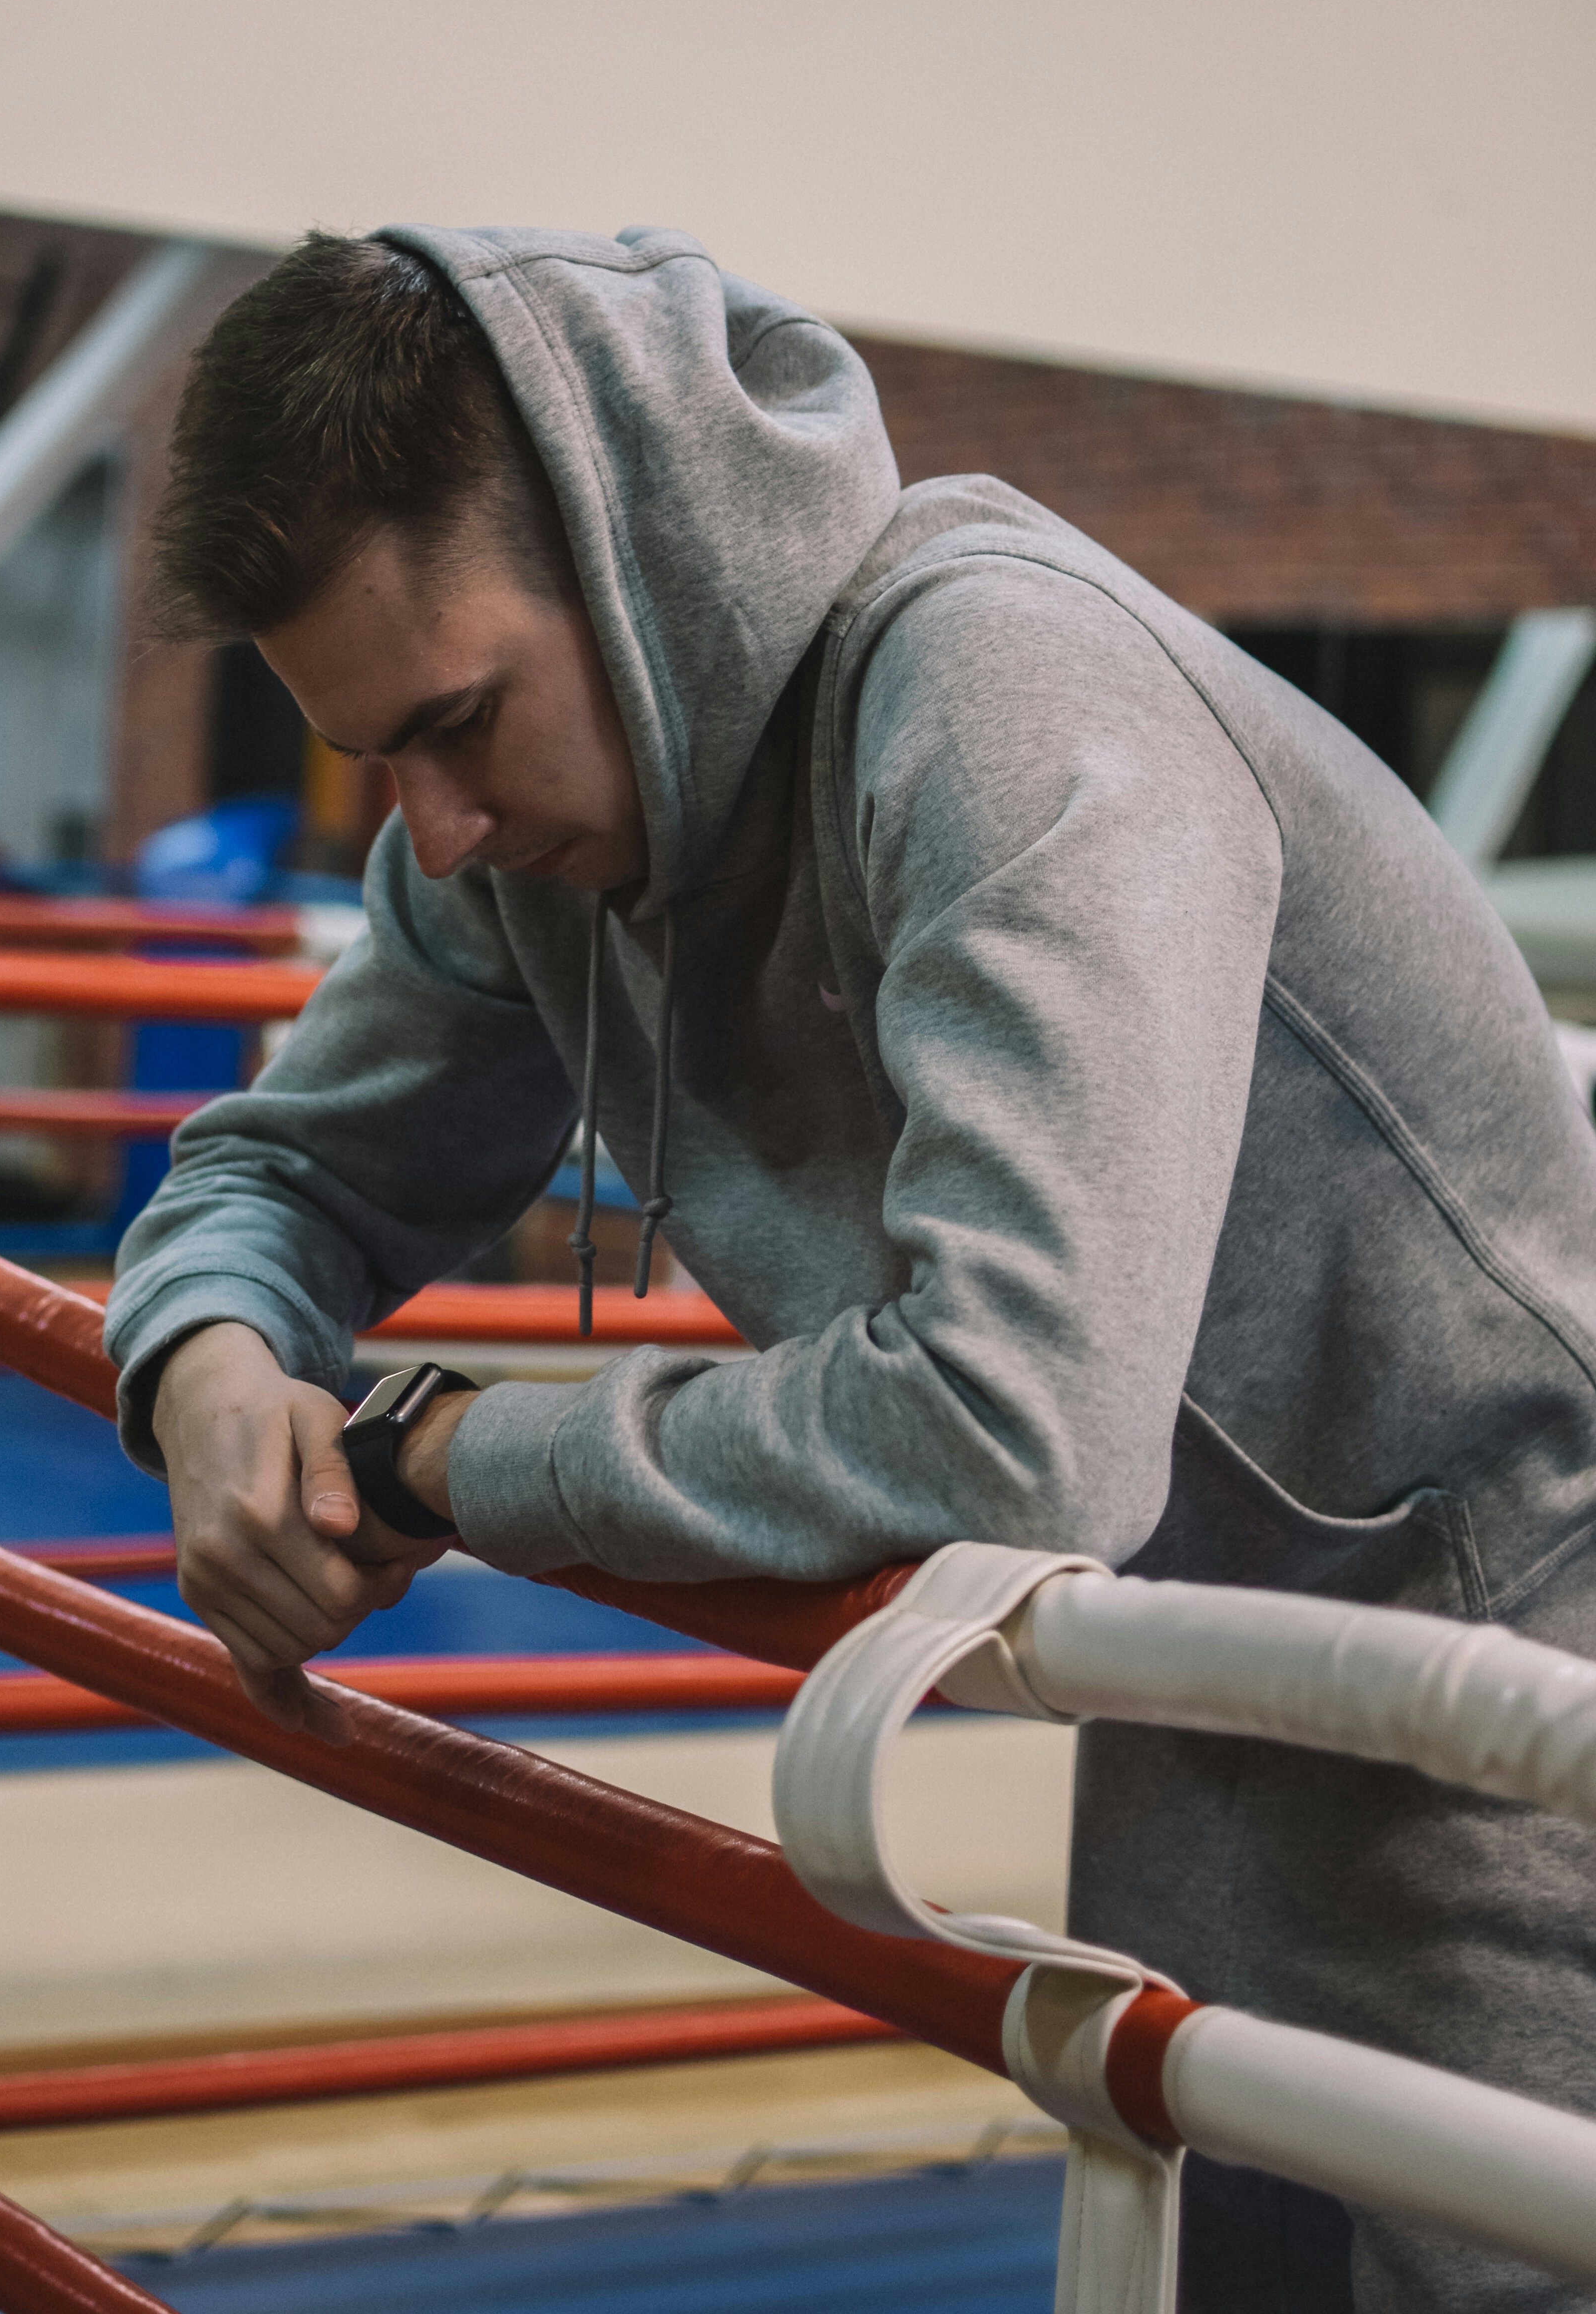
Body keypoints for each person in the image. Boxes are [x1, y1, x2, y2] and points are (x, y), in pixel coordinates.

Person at [107, 224, 1596, 2314]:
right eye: (381, 759)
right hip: (1216, 1687)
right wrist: (205, 1363)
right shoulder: (531, 825)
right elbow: (278, 1167)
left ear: (624, 572)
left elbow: (1017, 1425)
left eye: (455, 724)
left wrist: (444, 1460)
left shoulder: (1000, 692)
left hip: (1524, 1677)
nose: (427, 828)